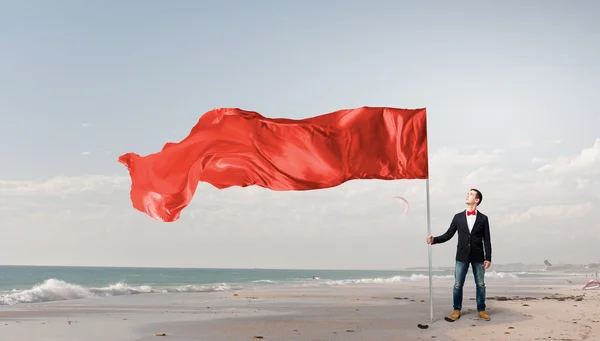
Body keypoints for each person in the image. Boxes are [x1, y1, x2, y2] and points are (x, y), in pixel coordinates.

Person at [426, 189, 492, 321]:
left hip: (478, 256)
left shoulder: (484, 218)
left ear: (477, 200)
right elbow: (448, 234)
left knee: (480, 285)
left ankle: (481, 310)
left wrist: (488, 257)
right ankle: (456, 309)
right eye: (468, 193)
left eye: (471, 194)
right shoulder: (458, 217)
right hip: (461, 256)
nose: (468, 195)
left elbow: (487, 239)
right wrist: (435, 240)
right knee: (457, 284)